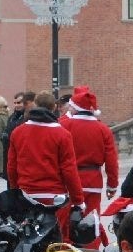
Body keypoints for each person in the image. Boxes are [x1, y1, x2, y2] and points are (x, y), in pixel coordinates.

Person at [6, 90, 84, 238]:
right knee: (55, 240)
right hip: (54, 196)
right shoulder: (62, 134)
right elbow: (69, 170)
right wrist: (78, 199)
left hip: (26, 193)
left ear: (35, 105)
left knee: (26, 238)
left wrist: (15, 191)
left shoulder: (18, 132)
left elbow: (11, 167)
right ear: (53, 107)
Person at [60, 88, 119, 223]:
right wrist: (112, 185)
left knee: (66, 221)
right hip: (93, 180)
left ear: (75, 108)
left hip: (67, 180)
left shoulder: (63, 125)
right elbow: (111, 160)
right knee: (92, 221)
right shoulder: (103, 129)